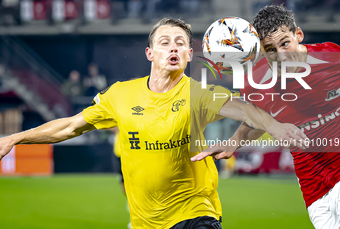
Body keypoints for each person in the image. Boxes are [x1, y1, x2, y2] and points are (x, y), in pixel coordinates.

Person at [0, 18, 307, 229]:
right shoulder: (119, 94)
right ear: (150, 53)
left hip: (196, 212)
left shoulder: (198, 94)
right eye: (165, 42)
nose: (173, 47)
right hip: (146, 220)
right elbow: (69, 126)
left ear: (189, 54)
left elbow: (247, 109)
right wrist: (14, 138)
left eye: (180, 43)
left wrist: (272, 129)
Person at [192, 5, 340, 229]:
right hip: (314, 189)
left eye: (285, 43)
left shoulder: (332, 57)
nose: (280, 55)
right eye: (270, 49)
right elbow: (260, 120)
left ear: (298, 35)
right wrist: (233, 143)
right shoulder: (254, 83)